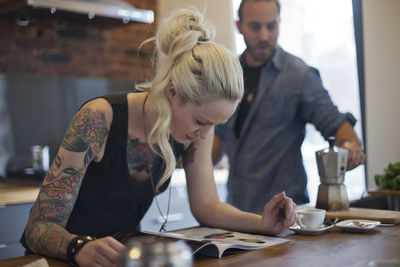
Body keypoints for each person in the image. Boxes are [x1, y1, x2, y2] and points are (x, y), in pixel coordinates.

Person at [21, 8, 298, 267]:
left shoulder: (196, 130)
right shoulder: (99, 119)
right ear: (173, 91)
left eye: (214, 124)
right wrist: (78, 247)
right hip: (62, 259)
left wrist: (263, 224)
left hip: (121, 259)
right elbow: (38, 228)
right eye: (201, 121)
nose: (204, 135)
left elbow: (207, 207)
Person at [212, 0, 366, 213]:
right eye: (255, 27)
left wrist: (351, 146)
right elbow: (216, 142)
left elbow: (333, 122)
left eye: (271, 26)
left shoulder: (299, 76)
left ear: (280, 24)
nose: (264, 36)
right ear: (239, 26)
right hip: (237, 214)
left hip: (286, 215)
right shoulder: (228, 76)